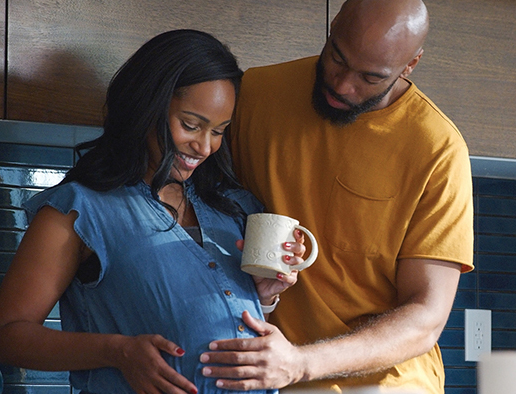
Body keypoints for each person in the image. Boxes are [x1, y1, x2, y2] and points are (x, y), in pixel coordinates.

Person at [0, 29, 306, 394]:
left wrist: (264, 295)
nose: (204, 146)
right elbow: (3, 337)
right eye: (190, 124)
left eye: (219, 131)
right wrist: (118, 351)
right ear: (147, 105)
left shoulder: (231, 206)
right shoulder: (79, 210)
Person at [199, 0, 474, 393]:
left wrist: (301, 363)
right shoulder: (256, 94)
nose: (343, 85)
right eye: (337, 58)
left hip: (383, 380)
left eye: (371, 77)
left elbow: (426, 316)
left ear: (409, 65)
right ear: (332, 29)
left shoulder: (437, 150)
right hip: (262, 368)